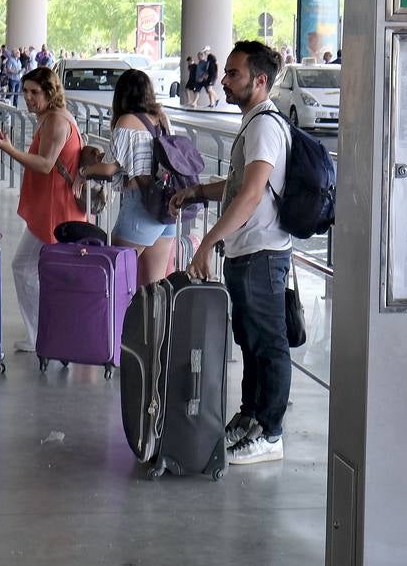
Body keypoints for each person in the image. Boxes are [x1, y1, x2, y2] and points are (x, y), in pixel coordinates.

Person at [170, 41, 291, 466]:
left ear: (259, 80)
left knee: (269, 344)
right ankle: (253, 416)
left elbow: (252, 194)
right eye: (225, 71)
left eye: (234, 73)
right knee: (252, 340)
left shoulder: (264, 126)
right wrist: (199, 191)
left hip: (262, 252)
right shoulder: (253, 122)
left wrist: (206, 243)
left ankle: (271, 433)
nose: (224, 79)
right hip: (248, 252)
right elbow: (239, 184)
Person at [0, 66, 87, 353]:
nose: (28, 98)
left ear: (49, 93)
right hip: (51, 206)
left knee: (25, 267)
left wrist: (8, 148)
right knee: (39, 269)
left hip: (56, 209)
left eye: (35, 92)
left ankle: (41, 333)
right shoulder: (49, 118)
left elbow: (45, 165)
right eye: (25, 91)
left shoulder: (55, 121)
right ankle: (47, 330)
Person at [78, 69, 177, 285]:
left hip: (141, 207)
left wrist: (84, 172)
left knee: (114, 279)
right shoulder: (161, 118)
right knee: (153, 286)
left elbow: (108, 170)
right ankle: (155, 320)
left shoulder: (126, 120)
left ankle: (117, 320)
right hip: (165, 207)